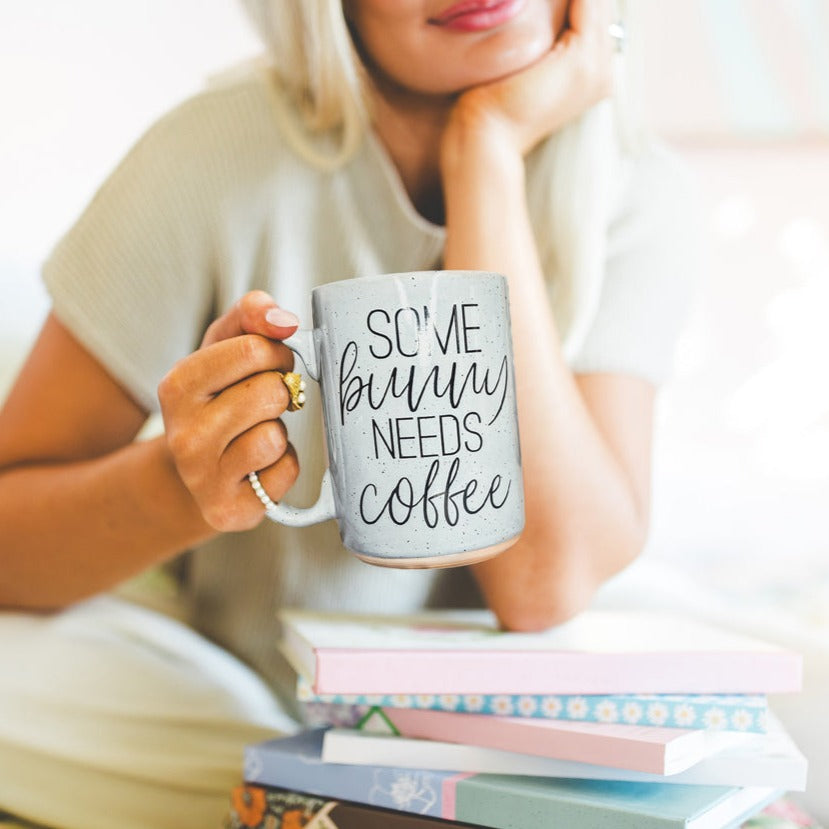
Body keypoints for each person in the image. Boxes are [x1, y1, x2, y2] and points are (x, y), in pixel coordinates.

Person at [0, 0, 698, 826]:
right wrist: (181, 483)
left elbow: (543, 588)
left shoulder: (634, 190)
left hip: (503, 706)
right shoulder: (210, 154)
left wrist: (485, 153)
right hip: (239, 685)